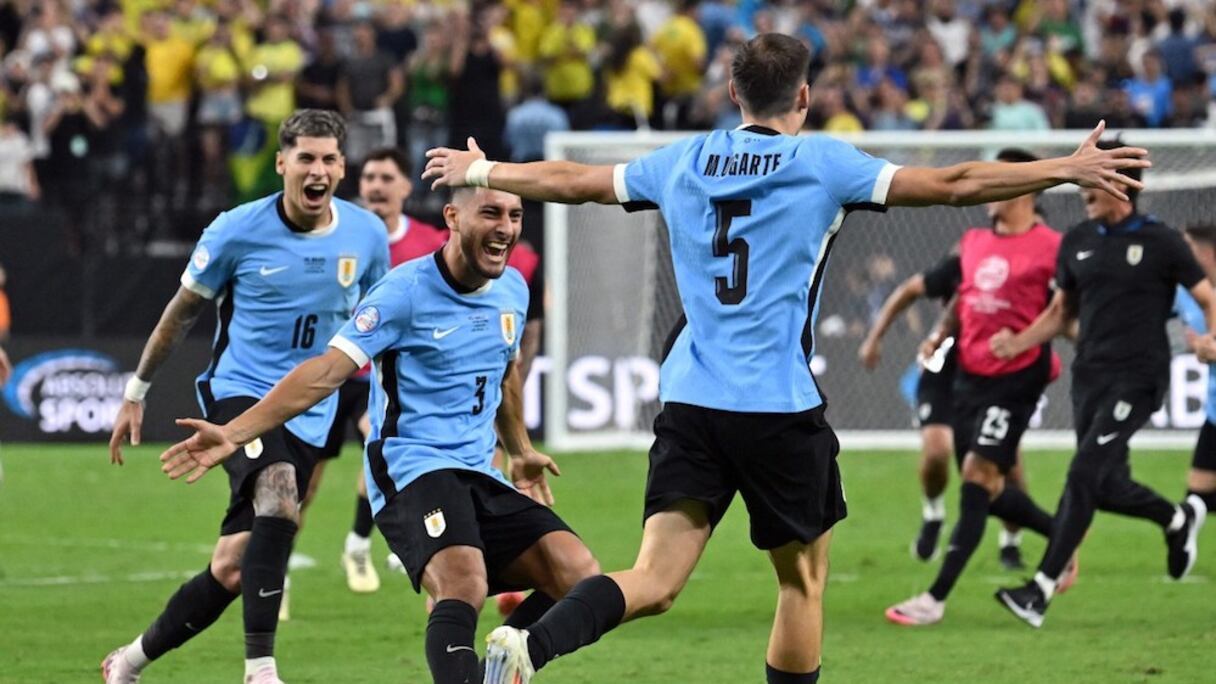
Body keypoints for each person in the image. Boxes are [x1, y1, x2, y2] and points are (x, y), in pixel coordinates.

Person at [422, 32, 1151, 683]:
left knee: (655, 577)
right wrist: (1065, 166)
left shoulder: (685, 160)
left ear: (734, 92)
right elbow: (955, 185)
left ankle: (529, 652)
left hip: (690, 404)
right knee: (801, 583)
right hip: (776, 406)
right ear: (804, 96)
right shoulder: (823, 162)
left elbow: (575, 183)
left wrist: (486, 174)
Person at [159, 186, 601, 684]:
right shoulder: (403, 291)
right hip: (411, 468)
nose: (506, 227)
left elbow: (505, 372)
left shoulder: (514, 288)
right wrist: (234, 432)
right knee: (465, 584)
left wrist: (520, 451)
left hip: (479, 470)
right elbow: (326, 371)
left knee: (579, 574)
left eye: (516, 215)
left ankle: (499, 667)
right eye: (492, 213)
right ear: (453, 217)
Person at [102, 110, 390, 684]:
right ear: (281, 163)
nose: (317, 169)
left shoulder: (367, 235)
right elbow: (180, 314)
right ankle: (261, 671)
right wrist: (136, 390)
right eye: (305, 158)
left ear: (342, 168)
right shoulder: (237, 229)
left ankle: (127, 662)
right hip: (240, 394)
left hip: (311, 410)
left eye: (329, 159)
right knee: (281, 495)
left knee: (233, 568)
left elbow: (381, 326)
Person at [992, 141, 1214, 629]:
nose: (1083, 190)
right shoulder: (1077, 240)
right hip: (1089, 376)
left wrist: (1213, 338)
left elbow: (1207, 294)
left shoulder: (1163, 241)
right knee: (1105, 483)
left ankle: (1040, 589)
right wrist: (1018, 343)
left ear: (1123, 184)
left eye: (1094, 179)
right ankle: (1176, 520)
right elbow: (1060, 314)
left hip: (1139, 379)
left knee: (1084, 471)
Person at [884, 148, 1067, 626]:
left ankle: (935, 598)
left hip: (1018, 379)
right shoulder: (972, 242)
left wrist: (1025, 340)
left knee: (976, 479)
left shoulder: (1053, 246)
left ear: (1023, 187)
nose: (988, 190)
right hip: (969, 377)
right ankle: (1063, 537)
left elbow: (1066, 314)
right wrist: (938, 334)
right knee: (989, 491)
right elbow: (963, 301)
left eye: (998, 179)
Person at [303, 146, 447, 595]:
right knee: (304, 482)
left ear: (407, 186)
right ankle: (277, 561)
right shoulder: (338, 232)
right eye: (369, 178)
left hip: (384, 378)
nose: (376, 187)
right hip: (332, 369)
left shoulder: (429, 242)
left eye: (387, 178)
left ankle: (360, 540)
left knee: (386, 450)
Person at [859, 251, 959, 562]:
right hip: (944, 364)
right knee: (937, 451)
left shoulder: (1032, 261)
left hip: (994, 369)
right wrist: (875, 337)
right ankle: (933, 513)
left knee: (1007, 471)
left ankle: (1011, 543)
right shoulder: (965, 259)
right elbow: (909, 290)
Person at [1174, 225, 1216, 526]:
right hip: (1214, 411)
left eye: (1186, 247)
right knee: (1197, 497)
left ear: (1206, 254)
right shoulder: (1185, 294)